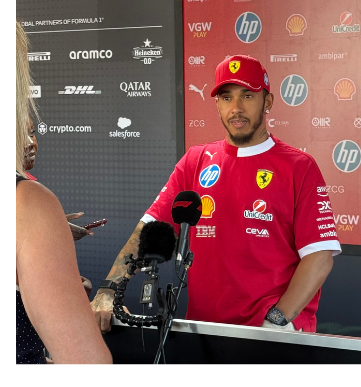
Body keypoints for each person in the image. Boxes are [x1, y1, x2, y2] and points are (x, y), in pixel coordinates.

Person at [91, 54, 338, 339]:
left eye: (247, 95)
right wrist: (108, 290)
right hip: (204, 331)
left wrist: (275, 322)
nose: (236, 108)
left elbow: (319, 257)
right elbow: (148, 230)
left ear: (267, 102)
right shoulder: (196, 161)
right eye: (226, 97)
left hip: (273, 333)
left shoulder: (299, 167)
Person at [16, 24, 112, 364]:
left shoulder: (23, 197)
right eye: (24, 131)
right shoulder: (30, 200)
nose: (31, 143)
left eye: (35, 132)